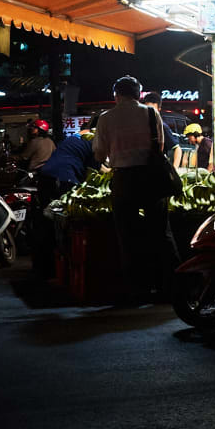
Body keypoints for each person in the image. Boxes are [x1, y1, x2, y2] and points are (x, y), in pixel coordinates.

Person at [93, 75, 177, 305]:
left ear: (116, 95)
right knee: (161, 233)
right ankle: (171, 286)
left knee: (128, 236)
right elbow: (159, 147)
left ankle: (137, 290)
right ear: (139, 93)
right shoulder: (151, 113)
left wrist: (115, 155)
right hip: (151, 177)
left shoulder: (106, 118)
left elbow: (100, 153)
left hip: (123, 180)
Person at [32, 131, 99, 279]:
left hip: (46, 176)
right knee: (61, 223)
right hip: (63, 178)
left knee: (47, 221)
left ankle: (43, 266)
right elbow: (94, 171)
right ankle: (54, 267)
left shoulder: (77, 137)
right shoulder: (97, 141)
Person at [142, 92, 181, 167]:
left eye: (153, 110)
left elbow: (177, 149)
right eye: (147, 109)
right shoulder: (139, 125)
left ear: (158, 110)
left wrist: (174, 170)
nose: (149, 113)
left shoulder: (162, 127)